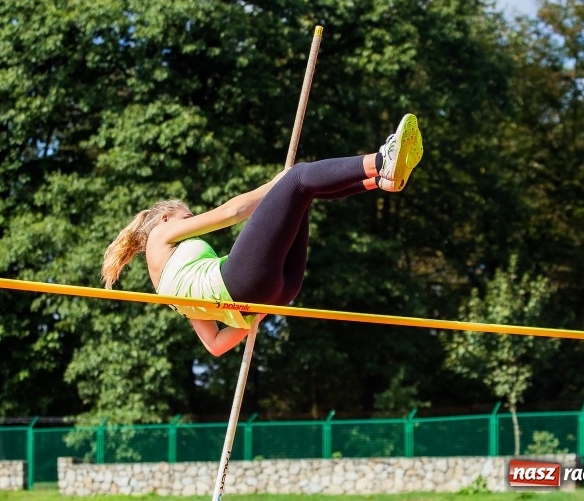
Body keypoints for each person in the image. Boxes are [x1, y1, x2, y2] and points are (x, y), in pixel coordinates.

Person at [102, 114, 423, 356]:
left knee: (302, 197)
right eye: (189, 217)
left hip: (276, 294)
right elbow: (233, 212)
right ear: (166, 217)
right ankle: (381, 159)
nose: (193, 222)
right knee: (297, 179)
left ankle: (381, 180)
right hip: (244, 284)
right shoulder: (161, 233)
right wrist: (277, 183)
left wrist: (257, 313)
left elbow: (214, 345)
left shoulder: (171, 293)